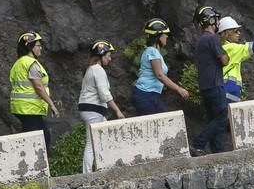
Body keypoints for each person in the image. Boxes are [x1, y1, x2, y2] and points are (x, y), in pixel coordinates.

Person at [78, 40, 125, 173]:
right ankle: (87, 175)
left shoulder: (91, 69)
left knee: (104, 137)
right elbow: (104, 94)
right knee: (91, 143)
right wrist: (117, 111)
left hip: (92, 109)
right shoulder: (97, 69)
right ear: (101, 55)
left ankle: (103, 168)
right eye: (108, 56)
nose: (110, 59)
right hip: (93, 110)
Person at [9, 31, 59, 148]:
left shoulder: (18, 63)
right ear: (30, 47)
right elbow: (38, 87)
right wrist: (51, 104)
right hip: (29, 107)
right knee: (38, 142)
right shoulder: (31, 63)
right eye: (38, 45)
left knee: (40, 137)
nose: (40, 48)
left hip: (21, 107)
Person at [190, 6, 229, 156]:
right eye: (216, 19)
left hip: (205, 86)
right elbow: (224, 60)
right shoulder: (212, 38)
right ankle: (197, 144)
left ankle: (217, 151)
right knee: (221, 117)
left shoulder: (201, 41)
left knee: (214, 118)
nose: (218, 22)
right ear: (211, 20)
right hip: (215, 84)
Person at [131, 18, 189, 115]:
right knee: (160, 124)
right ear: (157, 36)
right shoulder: (152, 51)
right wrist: (179, 89)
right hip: (146, 95)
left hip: (151, 95)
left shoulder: (153, 52)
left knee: (163, 123)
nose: (166, 36)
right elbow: (159, 75)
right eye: (164, 34)